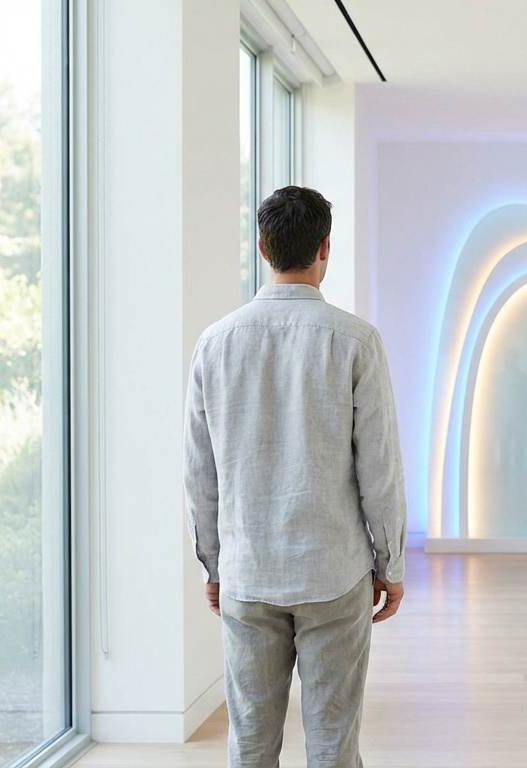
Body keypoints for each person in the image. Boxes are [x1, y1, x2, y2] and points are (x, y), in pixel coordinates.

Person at [184, 185, 407, 768]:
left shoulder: (215, 343)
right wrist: (391, 564)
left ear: (262, 248)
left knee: (250, 743)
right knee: (334, 743)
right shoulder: (355, 341)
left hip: (249, 571)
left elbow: (200, 473)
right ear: (325, 247)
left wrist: (213, 564)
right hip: (334, 573)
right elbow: (380, 468)